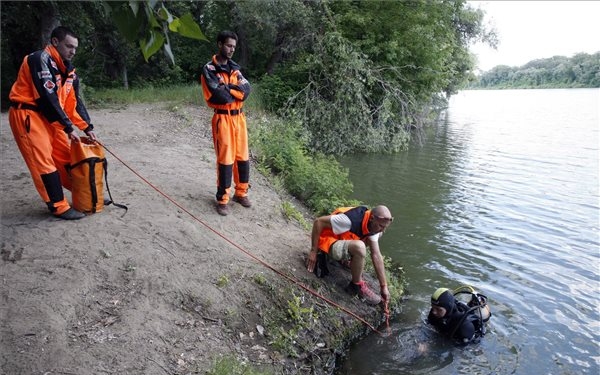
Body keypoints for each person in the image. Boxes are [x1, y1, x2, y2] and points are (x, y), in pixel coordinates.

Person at [8, 26, 97, 220]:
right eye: (69, 46)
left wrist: (86, 127)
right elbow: (46, 97)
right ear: (55, 42)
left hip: (51, 119)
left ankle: (85, 195)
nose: (73, 51)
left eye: (75, 48)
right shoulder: (39, 59)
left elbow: (72, 103)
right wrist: (66, 126)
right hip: (28, 115)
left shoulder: (69, 71)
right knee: (44, 163)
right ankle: (58, 205)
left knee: (67, 159)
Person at [200, 30, 252, 216]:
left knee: (242, 157)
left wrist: (228, 87)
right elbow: (219, 96)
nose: (231, 50)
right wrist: (232, 90)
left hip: (240, 119)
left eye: (234, 47)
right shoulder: (209, 69)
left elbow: (247, 90)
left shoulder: (235, 69)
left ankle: (241, 192)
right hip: (222, 118)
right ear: (220, 44)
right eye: (229, 45)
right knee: (225, 159)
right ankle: (223, 199)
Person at [306, 205, 393, 305]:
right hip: (326, 242)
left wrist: (384, 286)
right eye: (381, 226)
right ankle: (356, 285)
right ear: (372, 218)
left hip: (341, 240)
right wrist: (313, 251)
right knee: (360, 247)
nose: (382, 229)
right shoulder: (349, 220)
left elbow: (376, 255)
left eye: (385, 227)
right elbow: (318, 222)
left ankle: (349, 258)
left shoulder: (372, 224)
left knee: (376, 236)